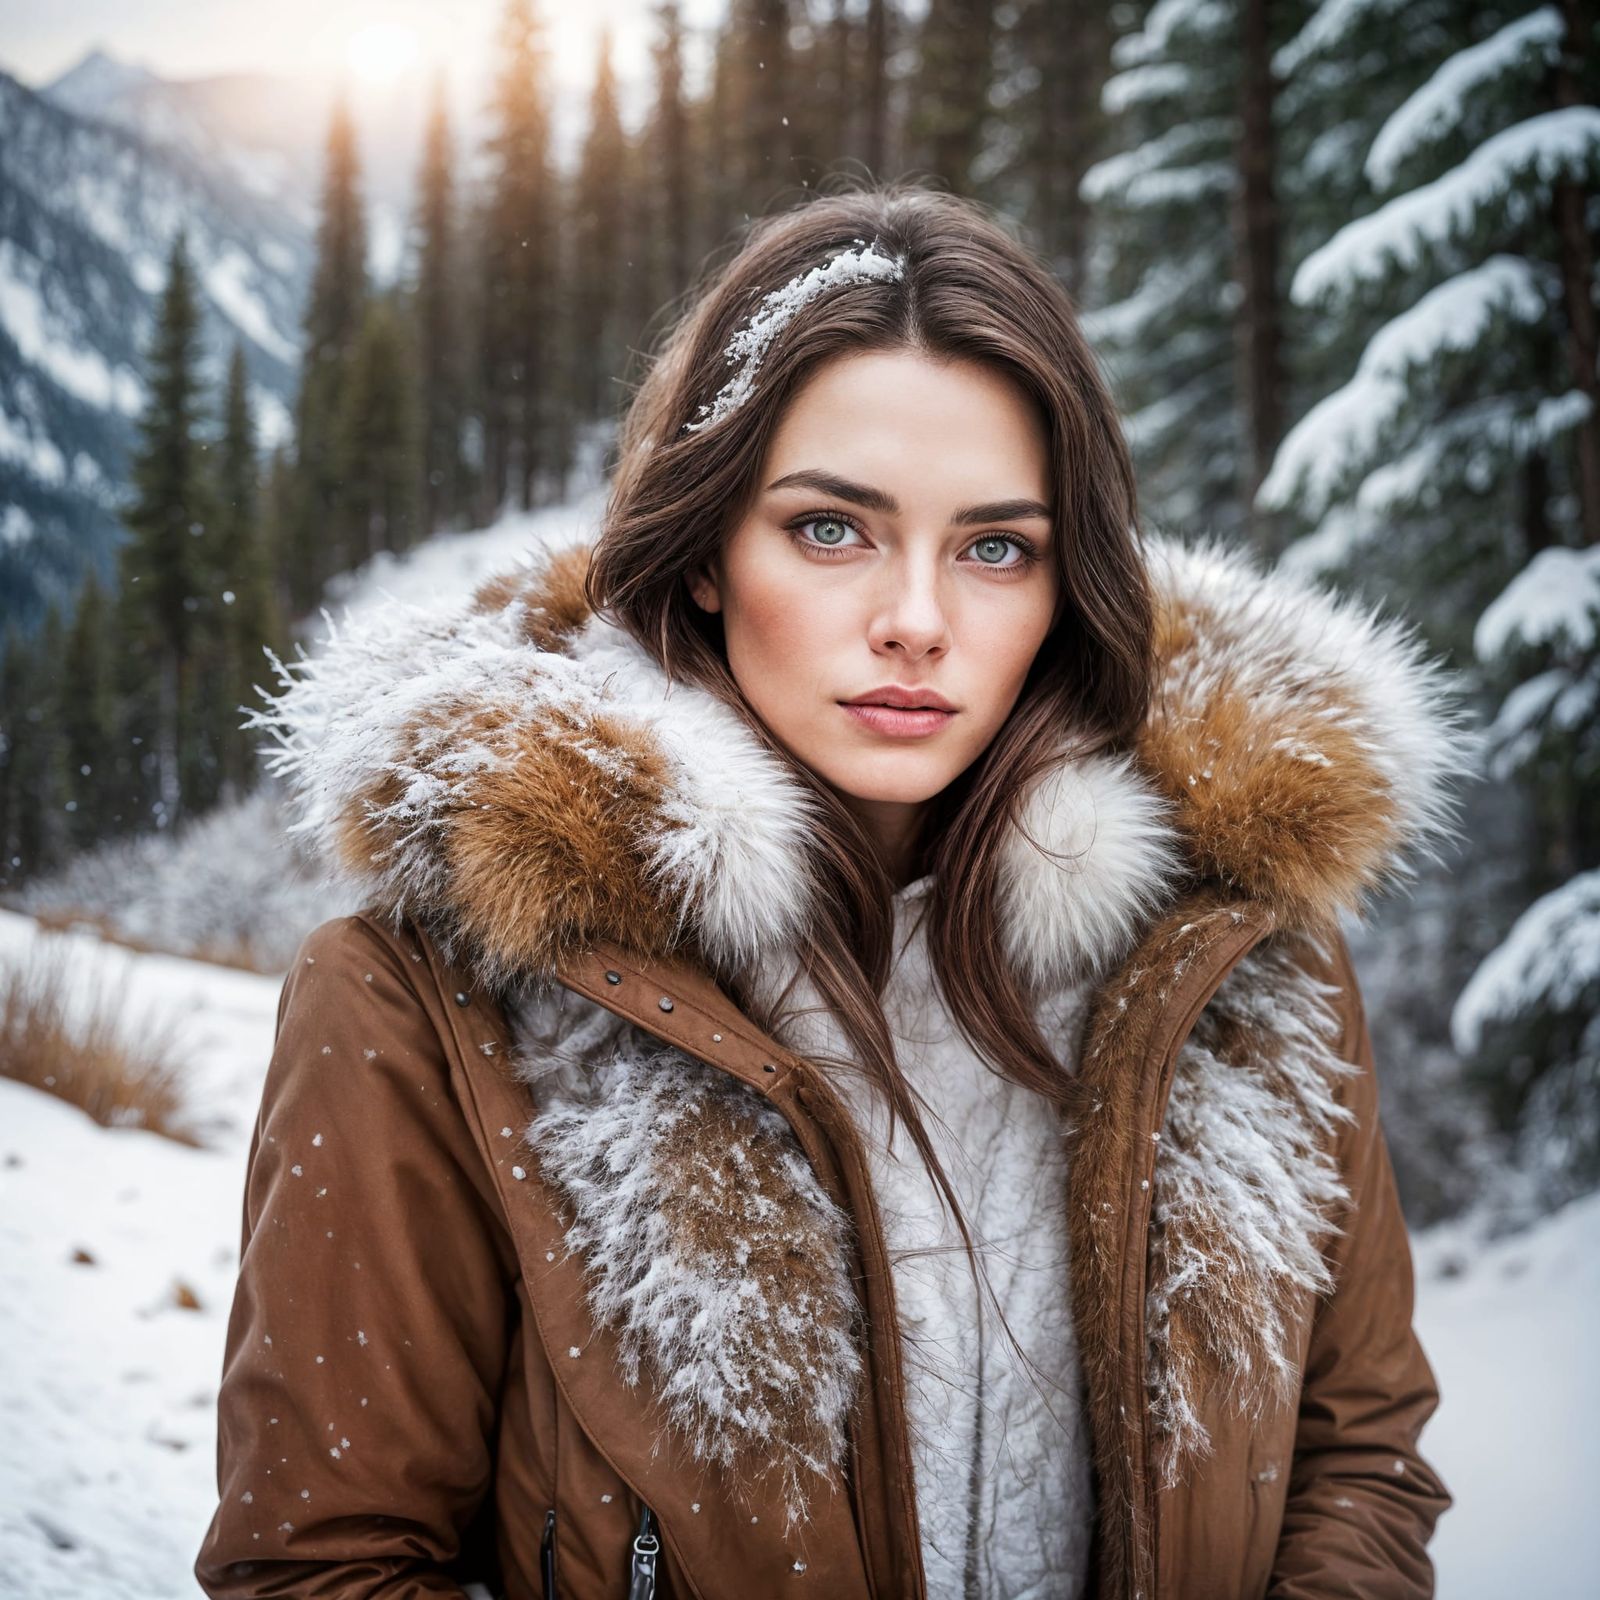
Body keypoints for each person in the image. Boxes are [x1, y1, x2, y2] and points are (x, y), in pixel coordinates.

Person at [196, 182, 1463, 1600]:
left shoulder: (1239, 964)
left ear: (1065, 589)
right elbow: (325, 1569)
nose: (917, 620)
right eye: (831, 529)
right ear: (705, 562)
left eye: (996, 547)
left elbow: (1363, 1460)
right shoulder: (429, 1003)